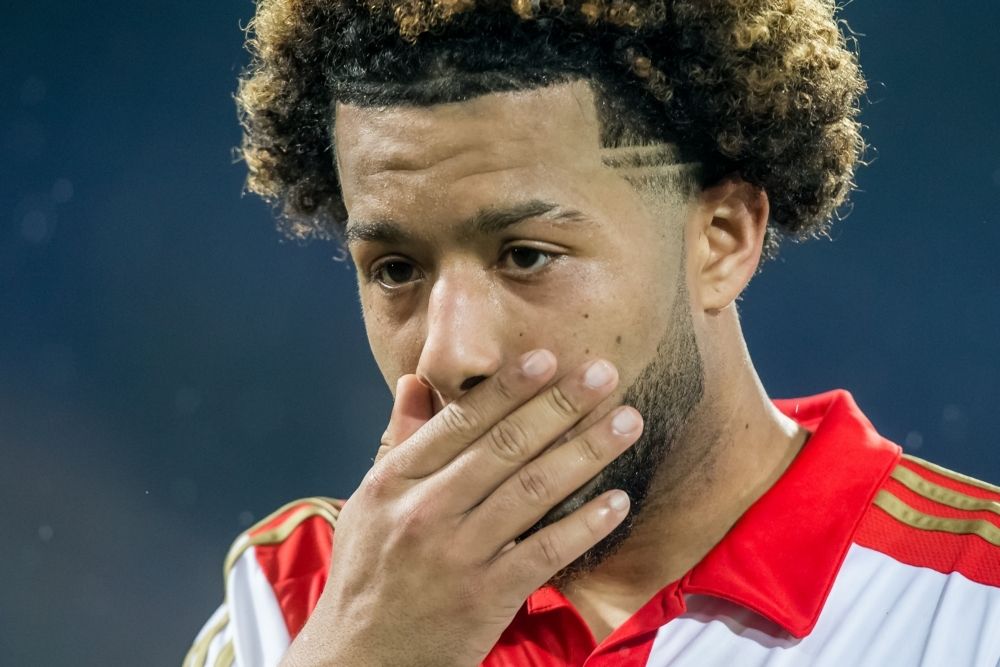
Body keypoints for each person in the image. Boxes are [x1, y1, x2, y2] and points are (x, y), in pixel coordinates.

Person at [185, 0, 1000, 664]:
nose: (448, 353)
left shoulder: (975, 605)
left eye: (526, 255)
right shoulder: (294, 599)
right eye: (396, 268)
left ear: (721, 240)